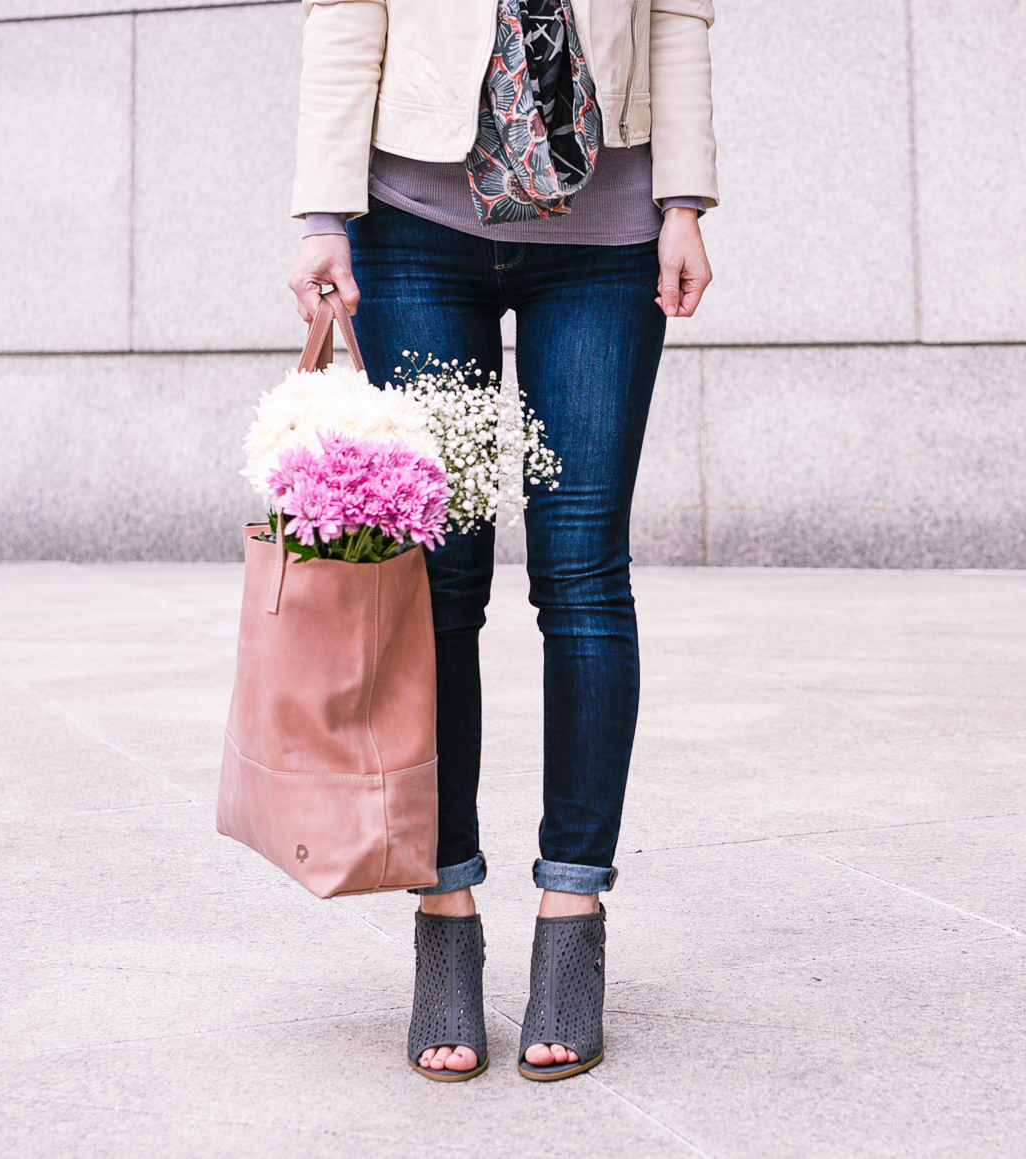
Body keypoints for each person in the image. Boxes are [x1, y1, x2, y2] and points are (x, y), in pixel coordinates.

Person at [287, 0, 717, 1082]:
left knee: (581, 569)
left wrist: (685, 200)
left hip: (609, 238)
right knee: (440, 578)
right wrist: (322, 214)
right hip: (416, 230)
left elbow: (678, 15)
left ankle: (572, 912)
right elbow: (348, 15)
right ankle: (446, 907)